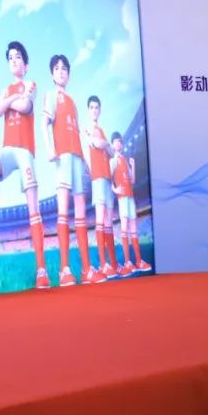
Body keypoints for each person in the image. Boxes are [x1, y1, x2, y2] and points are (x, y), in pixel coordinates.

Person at [0, 41, 48, 290]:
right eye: (10, 57)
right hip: (9, 148)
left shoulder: (31, 84)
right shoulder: (7, 89)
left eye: (18, 57)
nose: (13, 60)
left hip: (24, 150)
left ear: (26, 64)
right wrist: (11, 98)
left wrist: (9, 101)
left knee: (33, 207)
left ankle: (41, 269)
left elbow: (25, 106)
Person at [43, 55, 93, 287]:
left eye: (64, 68)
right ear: (52, 74)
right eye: (57, 68)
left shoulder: (72, 101)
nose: (61, 71)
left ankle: (87, 269)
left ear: (69, 74)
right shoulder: (51, 96)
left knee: (80, 211)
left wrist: (85, 161)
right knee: (63, 210)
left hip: (76, 157)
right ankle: (64, 269)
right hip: (62, 155)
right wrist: (50, 149)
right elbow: (44, 124)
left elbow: (78, 133)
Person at [84, 95, 118, 280]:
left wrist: (105, 145)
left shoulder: (102, 130)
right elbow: (98, 144)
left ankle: (113, 263)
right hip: (97, 177)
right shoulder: (88, 128)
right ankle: (103, 263)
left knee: (108, 221)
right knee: (100, 219)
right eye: (92, 107)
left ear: (100, 110)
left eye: (97, 107)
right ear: (88, 110)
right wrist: (105, 144)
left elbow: (111, 152)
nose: (94, 110)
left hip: (106, 177)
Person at [110, 132, 152, 276]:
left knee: (133, 228)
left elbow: (132, 180)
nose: (118, 144)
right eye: (116, 141)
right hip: (122, 198)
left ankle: (139, 261)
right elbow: (108, 178)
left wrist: (133, 166)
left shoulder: (125, 160)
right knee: (124, 228)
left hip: (130, 196)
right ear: (112, 144)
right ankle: (128, 262)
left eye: (120, 141)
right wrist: (115, 189)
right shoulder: (113, 161)